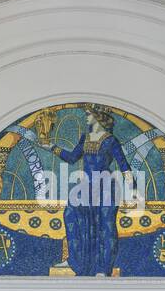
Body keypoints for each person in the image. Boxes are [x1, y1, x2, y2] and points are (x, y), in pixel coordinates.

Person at [47, 107, 130, 276]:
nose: (86, 118)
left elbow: (124, 166)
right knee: (71, 215)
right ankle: (77, 261)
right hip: (86, 187)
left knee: (105, 226)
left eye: (88, 115)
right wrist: (51, 147)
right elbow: (71, 158)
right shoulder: (85, 138)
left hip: (106, 186)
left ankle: (103, 268)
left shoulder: (110, 140)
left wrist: (131, 189)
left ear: (98, 117)